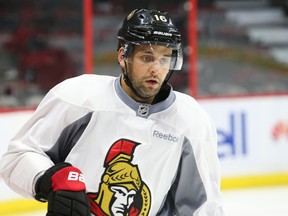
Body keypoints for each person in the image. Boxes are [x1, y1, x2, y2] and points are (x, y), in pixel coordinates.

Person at [0, 8, 225, 216]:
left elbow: (204, 205)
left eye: (165, 58)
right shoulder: (79, 98)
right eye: (147, 57)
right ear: (122, 57)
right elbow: (18, 156)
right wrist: (48, 178)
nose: (156, 68)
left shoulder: (190, 121)